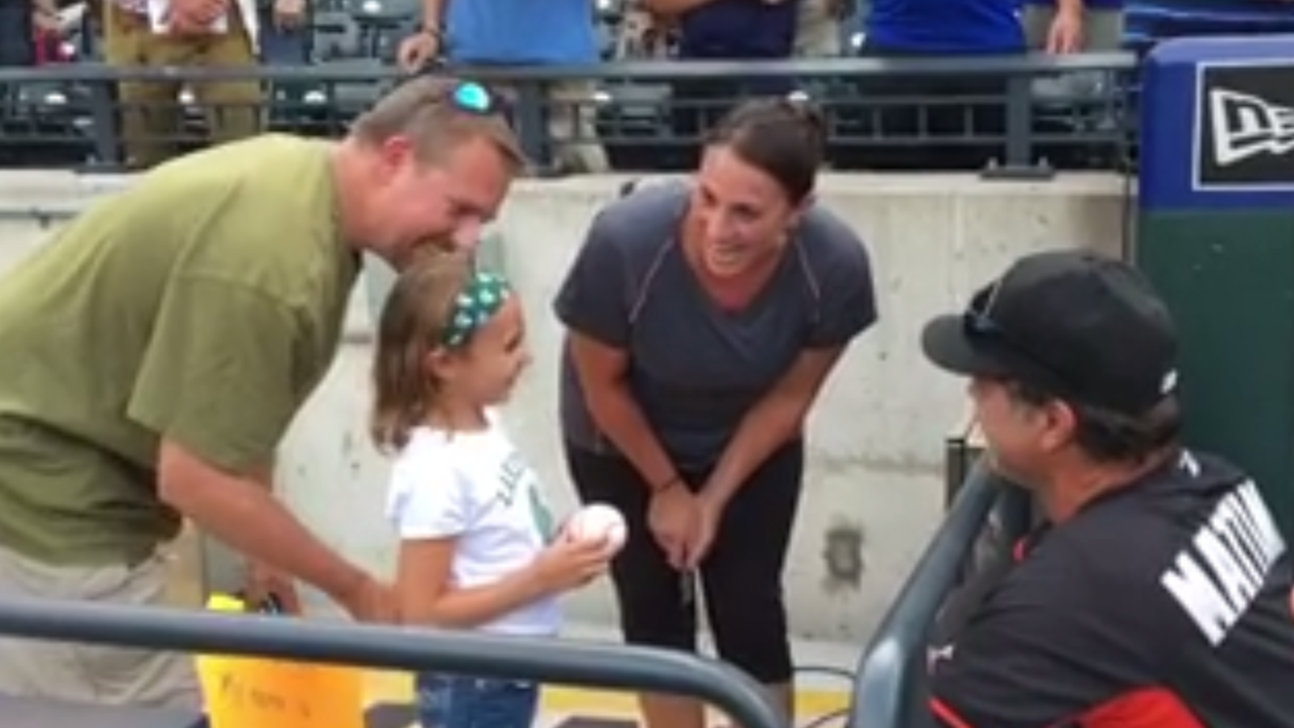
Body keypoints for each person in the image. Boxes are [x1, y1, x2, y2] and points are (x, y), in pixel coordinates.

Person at [0, 75, 523, 709]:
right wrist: (358, 591)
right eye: (458, 209)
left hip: (64, 467)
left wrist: (270, 565)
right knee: (148, 711)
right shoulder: (271, 265)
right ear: (394, 160)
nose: (467, 241)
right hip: (44, 492)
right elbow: (196, 475)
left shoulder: (304, 185)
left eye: (482, 221)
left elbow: (236, 416)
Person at [553, 99, 878, 728]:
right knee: (654, 607)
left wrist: (715, 496)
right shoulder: (625, 241)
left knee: (750, 605)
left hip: (749, 436)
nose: (716, 228)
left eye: (746, 213)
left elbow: (789, 398)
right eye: (706, 198)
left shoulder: (834, 265)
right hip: (619, 436)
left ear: (798, 212)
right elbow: (603, 385)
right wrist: (670, 491)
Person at [922, 250, 1294, 728]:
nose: (972, 393)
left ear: (1053, 422)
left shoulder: (1065, 604)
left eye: (986, 378)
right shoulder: (1220, 482)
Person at [375, 253, 615, 728]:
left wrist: (558, 550)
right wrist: (540, 579)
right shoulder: (436, 469)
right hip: (474, 682)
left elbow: (495, 536)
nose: (525, 357)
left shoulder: (486, 428)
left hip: (504, 672)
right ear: (444, 364)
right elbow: (420, 614)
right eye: (509, 346)